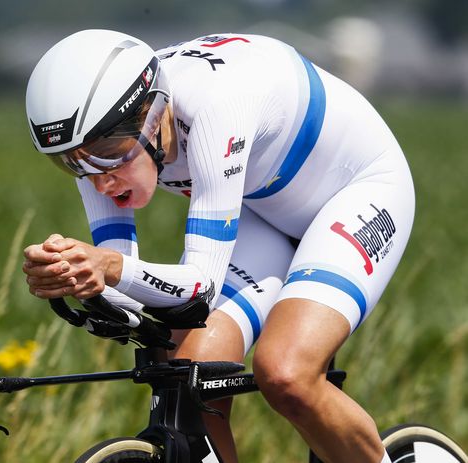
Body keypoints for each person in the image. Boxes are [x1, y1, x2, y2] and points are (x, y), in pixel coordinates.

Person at [22, 29, 414, 463]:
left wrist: (109, 267)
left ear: (153, 114)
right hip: (259, 209)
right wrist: (77, 277)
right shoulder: (99, 150)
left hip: (355, 191)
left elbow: (198, 291)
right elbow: (124, 289)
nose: (99, 179)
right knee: (190, 374)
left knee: (287, 373)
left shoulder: (215, 107)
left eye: (108, 152)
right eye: (72, 163)